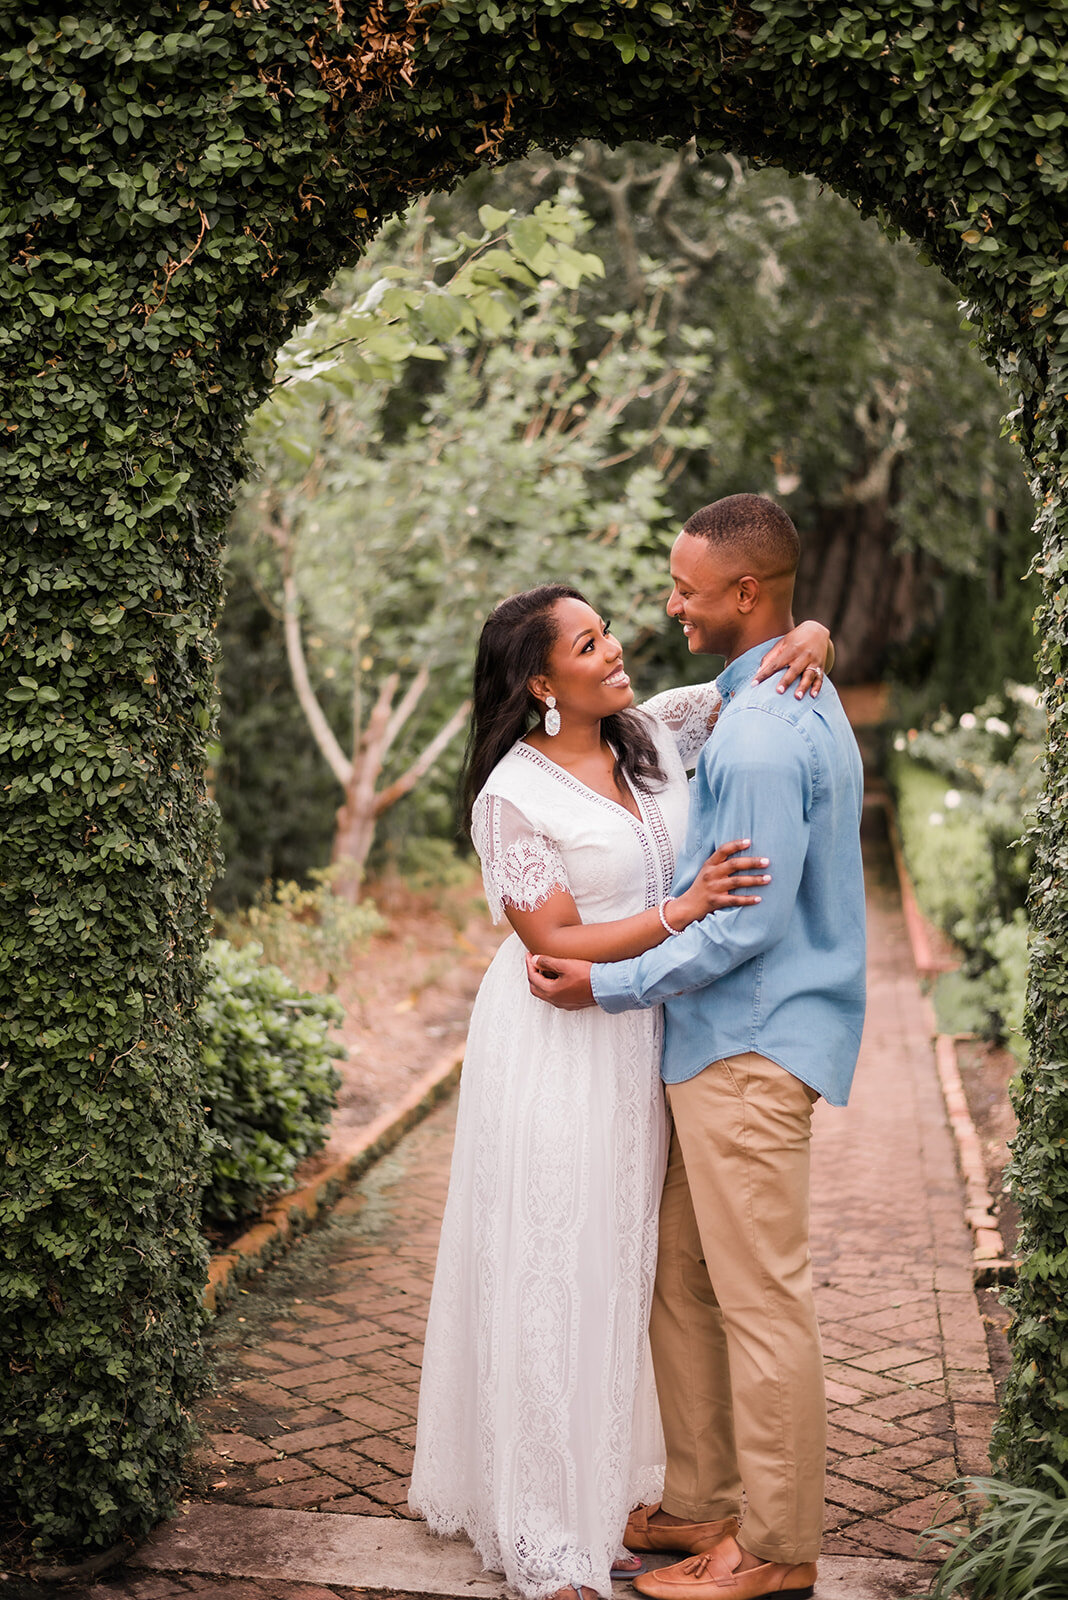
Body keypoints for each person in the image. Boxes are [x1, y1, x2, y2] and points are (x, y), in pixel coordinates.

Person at [409, 579, 833, 1600]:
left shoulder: (648, 732)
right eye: (589, 643)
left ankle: (616, 1492)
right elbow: (553, 940)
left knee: (628, 1274)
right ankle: (549, 1534)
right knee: (556, 1268)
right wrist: (685, 909)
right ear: (540, 682)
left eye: (606, 634)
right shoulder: (512, 797)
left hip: (647, 1036)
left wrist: (814, 631)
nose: (615, 650)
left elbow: (748, 680)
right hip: (559, 1043)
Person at [527, 495, 867, 1600]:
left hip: (750, 1048)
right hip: (716, 1046)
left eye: (687, 588)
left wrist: (607, 984)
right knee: (683, 1280)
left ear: (745, 593)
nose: (670, 604)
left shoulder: (762, 732)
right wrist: (816, 631)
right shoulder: (768, 691)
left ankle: (774, 1545)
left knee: (762, 1301)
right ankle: (705, 1498)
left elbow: (744, 927)